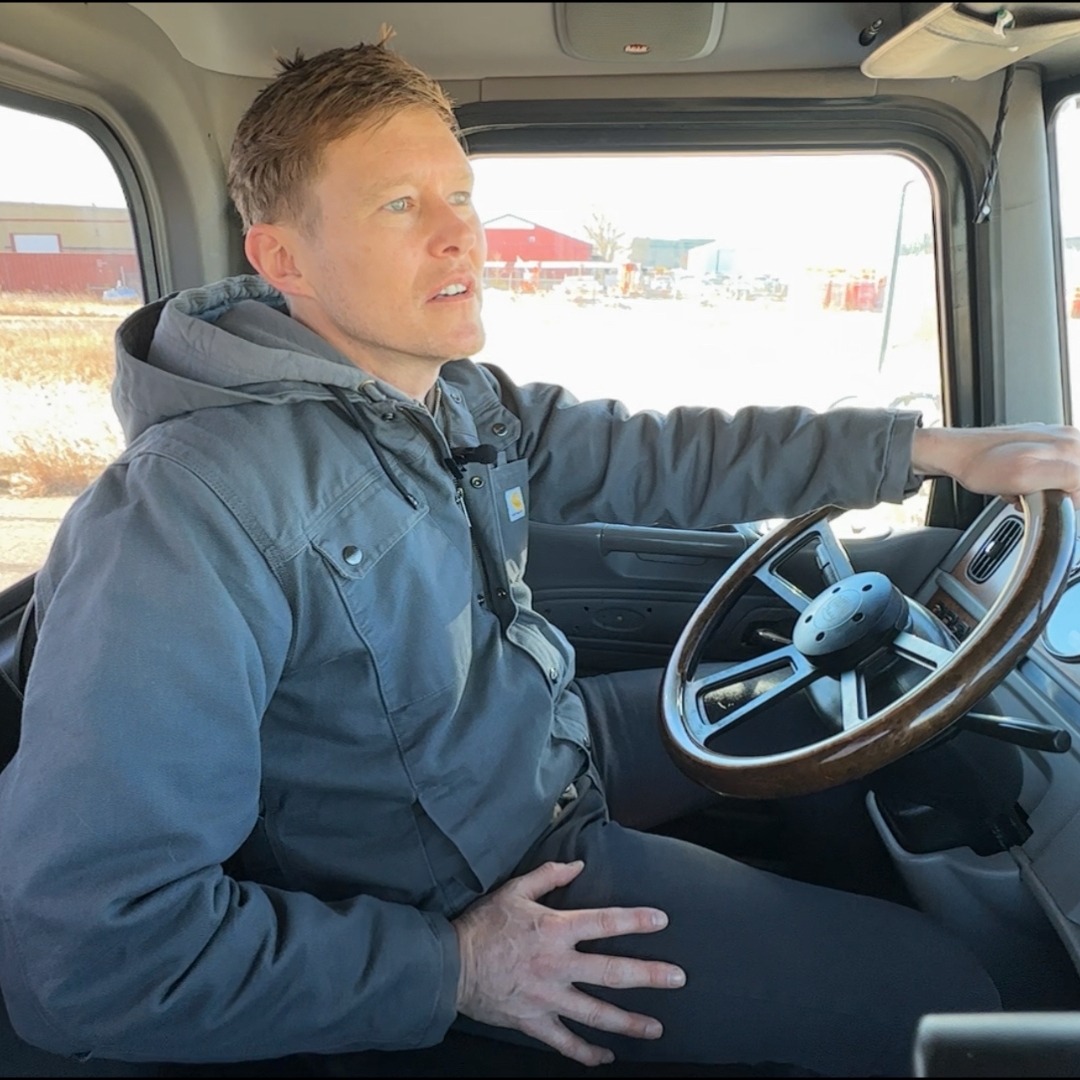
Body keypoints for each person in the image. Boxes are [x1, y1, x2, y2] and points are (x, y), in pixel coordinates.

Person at [1, 36, 1079, 1078]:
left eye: (460, 195)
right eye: (398, 204)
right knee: (950, 1001)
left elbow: (665, 451)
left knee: (831, 700)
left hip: (542, 753)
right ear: (284, 258)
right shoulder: (187, 513)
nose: (461, 237)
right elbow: (88, 953)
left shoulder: (444, 398)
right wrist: (457, 968)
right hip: (474, 887)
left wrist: (929, 448)